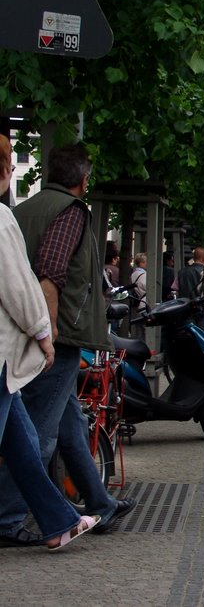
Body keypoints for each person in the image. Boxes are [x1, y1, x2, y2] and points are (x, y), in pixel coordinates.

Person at [0, 142, 135, 547]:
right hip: (56, 337)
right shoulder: (70, 212)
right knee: (36, 434)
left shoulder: (24, 210)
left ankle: (98, 500)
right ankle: (6, 516)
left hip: (24, 336)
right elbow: (48, 276)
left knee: (68, 421)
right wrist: (49, 336)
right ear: (83, 180)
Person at [128, 252, 148, 339]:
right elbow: (148, 288)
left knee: (138, 331)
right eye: (146, 262)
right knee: (145, 331)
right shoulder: (144, 275)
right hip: (144, 305)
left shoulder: (133, 274)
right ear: (142, 262)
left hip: (136, 306)